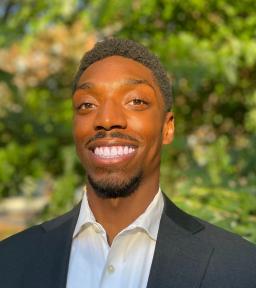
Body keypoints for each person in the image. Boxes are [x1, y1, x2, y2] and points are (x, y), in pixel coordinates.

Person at [0, 38, 256, 288]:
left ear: (167, 128)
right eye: (87, 104)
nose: (107, 119)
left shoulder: (239, 268)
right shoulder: (10, 261)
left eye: (136, 101)